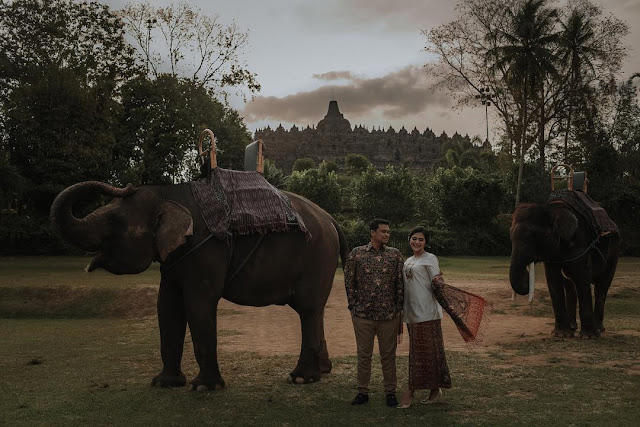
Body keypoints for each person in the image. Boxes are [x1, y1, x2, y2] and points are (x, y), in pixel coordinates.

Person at [397, 226, 491, 409]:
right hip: (411, 313)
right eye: (414, 238)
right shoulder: (408, 260)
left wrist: (448, 294)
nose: (416, 242)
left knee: (427, 352)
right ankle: (434, 389)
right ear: (409, 239)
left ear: (426, 242)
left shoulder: (430, 259)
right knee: (423, 352)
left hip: (427, 313)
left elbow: (437, 282)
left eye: (421, 240)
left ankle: (412, 390)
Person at [344, 218, 404, 407]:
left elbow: (399, 285)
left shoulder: (395, 255)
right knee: (364, 355)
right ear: (372, 232)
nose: (387, 234)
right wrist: (353, 306)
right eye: (383, 231)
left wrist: (398, 309)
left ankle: (390, 393)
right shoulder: (357, 254)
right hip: (363, 316)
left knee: (388, 355)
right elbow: (349, 281)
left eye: (388, 231)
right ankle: (363, 392)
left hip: (388, 316)